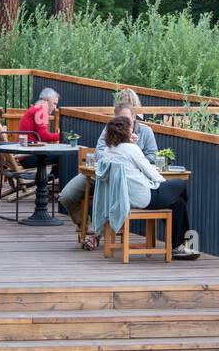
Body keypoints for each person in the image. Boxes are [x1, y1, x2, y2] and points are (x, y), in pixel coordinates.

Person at [96, 115, 198, 260]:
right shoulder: (131, 149)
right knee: (180, 185)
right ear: (125, 131)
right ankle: (181, 245)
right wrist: (164, 184)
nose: (134, 131)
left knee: (178, 204)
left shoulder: (108, 151)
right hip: (145, 197)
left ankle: (177, 246)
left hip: (124, 199)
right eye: (131, 128)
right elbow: (150, 171)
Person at [59, 102, 158, 249]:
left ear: (134, 117)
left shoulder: (145, 131)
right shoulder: (110, 129)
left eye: (126, 119)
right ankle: (85, 225)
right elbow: (99, 152)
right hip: (99, 175)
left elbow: (152, 156)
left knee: (112, 197)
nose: (123, 123)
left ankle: (96, 235)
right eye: (119, 120)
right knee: (66, 196)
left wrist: (130, 152)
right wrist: (120, 147)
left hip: (127, 181)